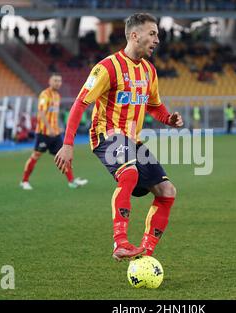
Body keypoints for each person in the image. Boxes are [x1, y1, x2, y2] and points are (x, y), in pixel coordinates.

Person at [54, 13, 184, 262]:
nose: (157, 39)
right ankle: (120, 242)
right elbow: (80, 104)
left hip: (132, 141)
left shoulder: (149, 71)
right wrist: (68, 144)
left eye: (157, 34)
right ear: (135, 35)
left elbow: (154, 105)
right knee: (130, 173)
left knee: (167, 191)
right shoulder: (107, 68)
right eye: (152, 33)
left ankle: (145, 253)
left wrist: (169, 119)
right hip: (107, 135)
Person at [20, 73, 88, 190]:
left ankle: (71, 181)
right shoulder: (44, 95)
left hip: (55, 133)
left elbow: (53, 115)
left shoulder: (57, 96)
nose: (58, 83)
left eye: (59, 81)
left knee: (64, 156)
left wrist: (56, 127)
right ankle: (24, 181)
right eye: (55, 80)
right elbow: (41, 113)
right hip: (43, 133)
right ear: (50, 81)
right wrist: (50, 128)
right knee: (35, 155)